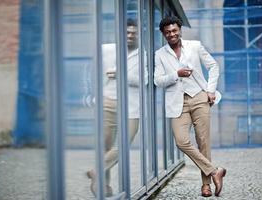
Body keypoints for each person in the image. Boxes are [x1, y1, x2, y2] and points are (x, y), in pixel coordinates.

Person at [154, 16, 226, 197]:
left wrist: (210, 90)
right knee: (181, 141)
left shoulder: (194, 46)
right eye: (168, 32)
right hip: (177, 103)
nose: (172, 34)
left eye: (174, 30)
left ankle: (206, 186)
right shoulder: (160, 54)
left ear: (180, 30)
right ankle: (214, 170)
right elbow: (158, 81)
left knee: (203, 142)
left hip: (199, 98)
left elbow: (213, 66)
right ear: (163, 34)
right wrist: (175, 74)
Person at [86, 18, 146, 197]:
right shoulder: (106, 49)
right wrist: (91, 95)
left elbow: (145, 80)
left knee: (124, 143)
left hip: (131, 104)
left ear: (138, 35)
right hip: (107, 102)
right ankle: (102, 188)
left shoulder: (141, 53)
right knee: (105, 146)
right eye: (127, 32)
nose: (130, 36)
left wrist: (122, 75)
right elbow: (90, 72)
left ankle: (96, 171)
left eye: (133, 33)